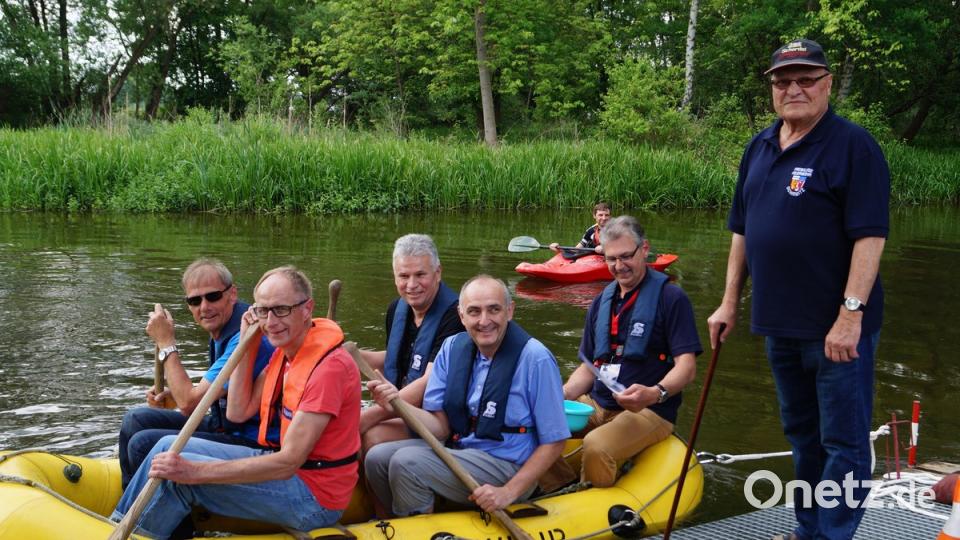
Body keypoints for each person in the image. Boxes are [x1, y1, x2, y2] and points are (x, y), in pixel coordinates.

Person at [707, 39, 889, 540]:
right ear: (772, 89)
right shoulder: (760, 146)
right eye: (783, 81)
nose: (794, 89)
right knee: (803, 438)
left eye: (806, 79)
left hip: (836, 330)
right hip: (778, 325)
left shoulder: (854, 146)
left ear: (827, 83)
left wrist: (851, 315)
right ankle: (809, 530)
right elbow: (742, 229)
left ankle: (833, 536)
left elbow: (870, 235)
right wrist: (728, 302)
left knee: (845, 444)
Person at [111, 266, 361, 538]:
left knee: (177, 477)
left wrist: (195, 472)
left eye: (281, 309)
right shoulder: (286, 352)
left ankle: (132, 532)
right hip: (290, 473)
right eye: (263, 311)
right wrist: (247, 341)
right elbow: (238, 412)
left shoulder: (328, 369)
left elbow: (288, 462)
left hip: (313, 495)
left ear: (307, 308)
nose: (271, 321)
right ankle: (118, 525)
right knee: (164, 447)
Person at [364, 275, 569, 517]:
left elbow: (555, 441)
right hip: (460, 451)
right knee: (376, 458)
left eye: (494, 309)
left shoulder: (536, 358)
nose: (484, 321)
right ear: (461, 316)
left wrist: (508, 492)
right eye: (474, 312)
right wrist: (395, 404)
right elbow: (439, 427)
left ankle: (417, 526)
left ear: (509, 311)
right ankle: (395, 525)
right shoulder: (451, 349)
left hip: (507, 466)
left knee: (407, 462)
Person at [558, 216, 701, 489]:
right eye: (611, 259)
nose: (619, 266)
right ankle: (560, 491)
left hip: (650, 409)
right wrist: (562, 394)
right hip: (598, 403)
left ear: (644, 249)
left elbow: (687, 367)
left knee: (597, 446)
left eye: (626, 256)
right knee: (539, 428)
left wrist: (654, 392)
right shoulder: (601, 302)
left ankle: (594, 502)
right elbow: (589, 366)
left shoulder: (672, 299)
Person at [117, 258, 276, 488]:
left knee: (143, 444)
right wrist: (175, 396)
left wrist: (166, 342)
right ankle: (127, 498)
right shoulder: (225, 327)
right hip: (224, 425)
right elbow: (200, 397)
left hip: (250, 439)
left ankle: (156, 518)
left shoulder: (247, 335)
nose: (204, 307)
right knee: (135, 420)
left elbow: (189, 403)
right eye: (194, 300)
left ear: (232, 294)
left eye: (213, 297)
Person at [358, 234, 464, 451]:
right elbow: (396, 359)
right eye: (404, 276)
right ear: (395, 277)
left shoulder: (456, 316)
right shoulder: (396, 309)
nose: (412, 285)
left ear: (438, 273)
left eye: (420, 275)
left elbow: (429, 379)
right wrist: (346, 354)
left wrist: (370, 416)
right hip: (402, 405)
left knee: (372, 436)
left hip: (439, 416)